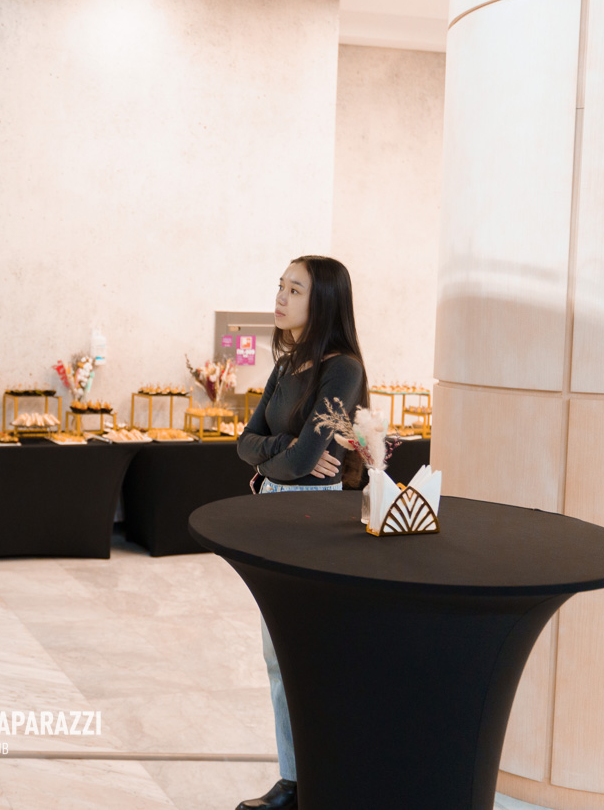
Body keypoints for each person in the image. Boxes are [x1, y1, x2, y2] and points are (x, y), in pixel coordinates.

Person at [233, 255, 369, 810]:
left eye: (295, 289)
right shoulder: (287, 363)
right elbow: (244, 442)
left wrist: (283, 454)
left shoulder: (343, 369)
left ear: (324, 301)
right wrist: (282, 451)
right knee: (276, 656)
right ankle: (293, 780)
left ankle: (319, 779)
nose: (281, 297)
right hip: (274, 511)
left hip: (312, 517)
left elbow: (306, 459)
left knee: (311, 655)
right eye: (281, 286)